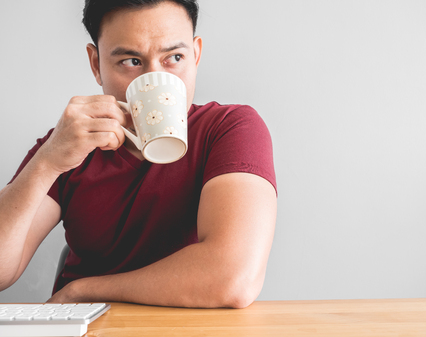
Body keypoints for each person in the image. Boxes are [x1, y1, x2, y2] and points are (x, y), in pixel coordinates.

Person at [0, 0, 277, 309]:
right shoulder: (67, 146)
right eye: (131, 61)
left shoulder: (229, 129)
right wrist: (46, 163)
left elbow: (233, 278)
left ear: (196, 55)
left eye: (174, 57)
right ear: (96, 64)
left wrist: (84, 291)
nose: (154, 80)